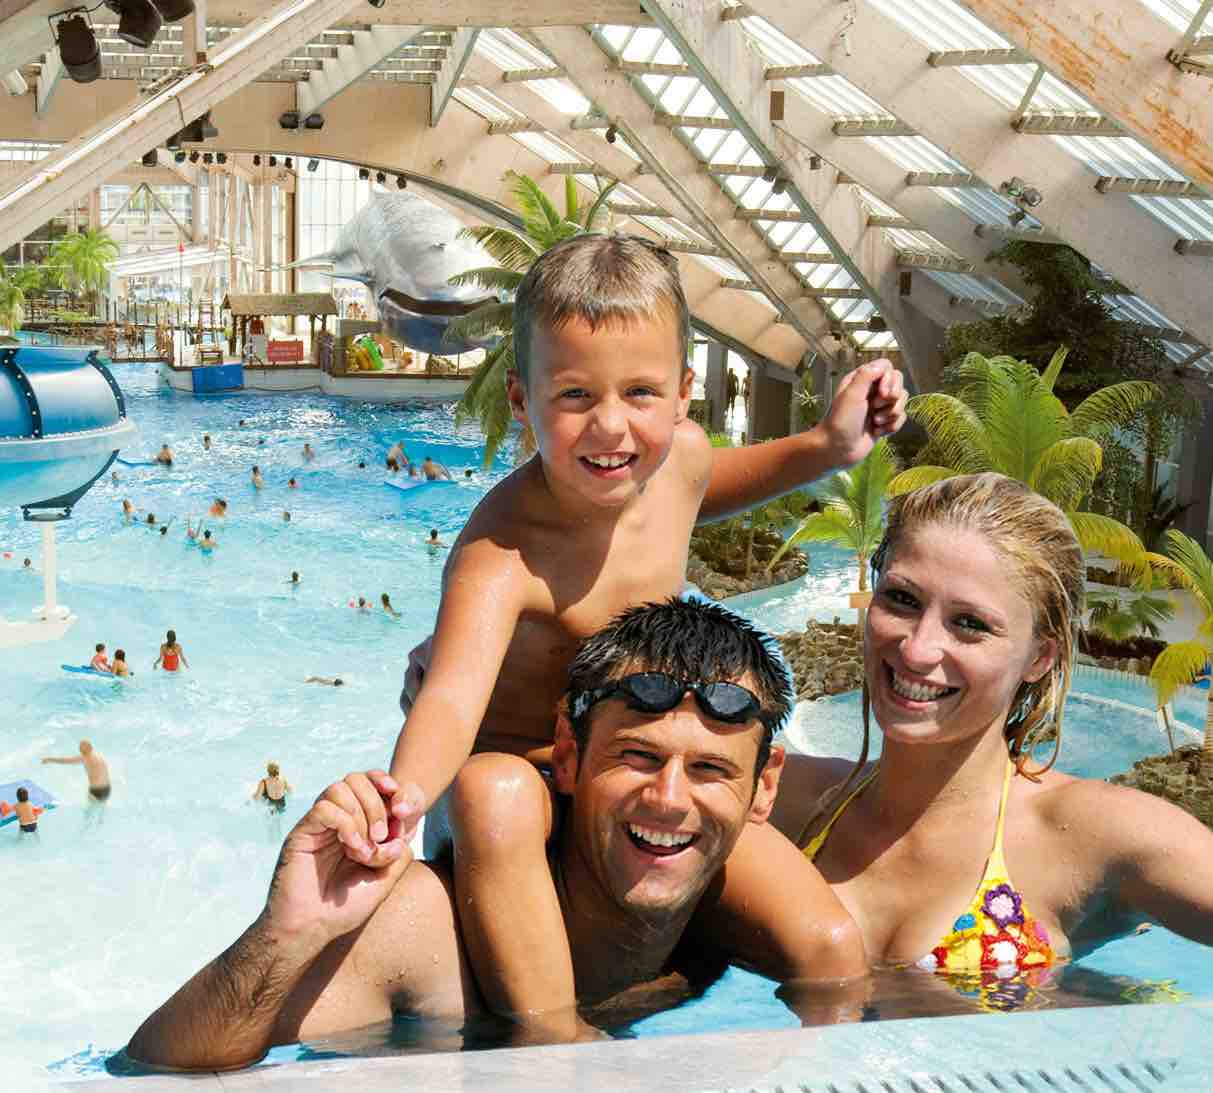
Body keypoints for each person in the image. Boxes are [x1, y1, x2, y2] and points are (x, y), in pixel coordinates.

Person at [387, 234, 905, 1026]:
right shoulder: (504, 550)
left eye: (639, 393)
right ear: (522, 399)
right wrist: (398, 803)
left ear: (682, 393)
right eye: (574, 396)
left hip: (633, 778)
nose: (610, 427)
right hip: (523, 803)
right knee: (496, 792)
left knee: (831, 946)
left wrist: (828, 447)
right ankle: (554, 1041)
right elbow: (452, 698)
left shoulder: (677, 463)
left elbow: (716, 482)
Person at [126, 599, 861, 1069]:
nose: (669, 800)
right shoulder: (432, 937)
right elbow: (157, 1071)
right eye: (636, 757)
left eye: (709, 769)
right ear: (567, 756)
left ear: (763, 787)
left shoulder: (746, 923)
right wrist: (285, 934)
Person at [752, 473, 1213, 1001]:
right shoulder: (786, 798)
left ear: (1040, 656)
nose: (918, 649)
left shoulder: (1092, 835)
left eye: (970, 623)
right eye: (901, 599)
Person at [41, 739, 111, 801]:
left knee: (90, 809)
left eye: (81, 749)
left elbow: (66, 761)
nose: (80, 751)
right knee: (101, 807)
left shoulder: (86, 758)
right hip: (107, 788)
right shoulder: (98, 756)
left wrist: (49, 759)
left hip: (96, 790)